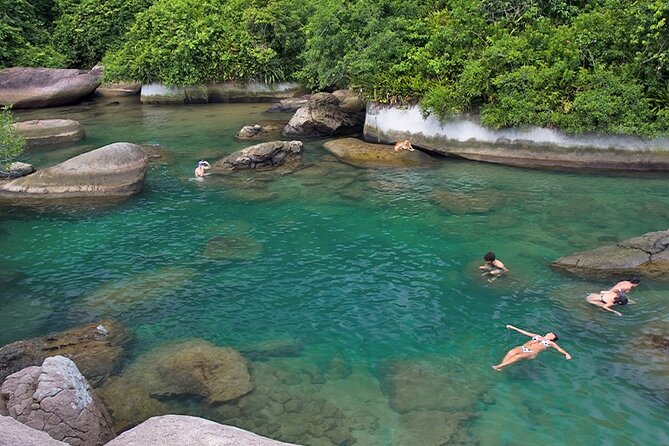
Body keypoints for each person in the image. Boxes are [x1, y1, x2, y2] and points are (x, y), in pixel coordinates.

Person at [492, 324, 572, 371]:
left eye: (552, 335)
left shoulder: (550, 343)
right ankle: (501, 367)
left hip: (532, 352)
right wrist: (513, 327)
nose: (550, 333)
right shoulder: (537, 336)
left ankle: (499, 366)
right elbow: (525, 332)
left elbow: (559, 349)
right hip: (523, 347)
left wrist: (566, 354)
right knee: (511, 352)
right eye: (550, 333)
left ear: (552, 339)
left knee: (518, 356)